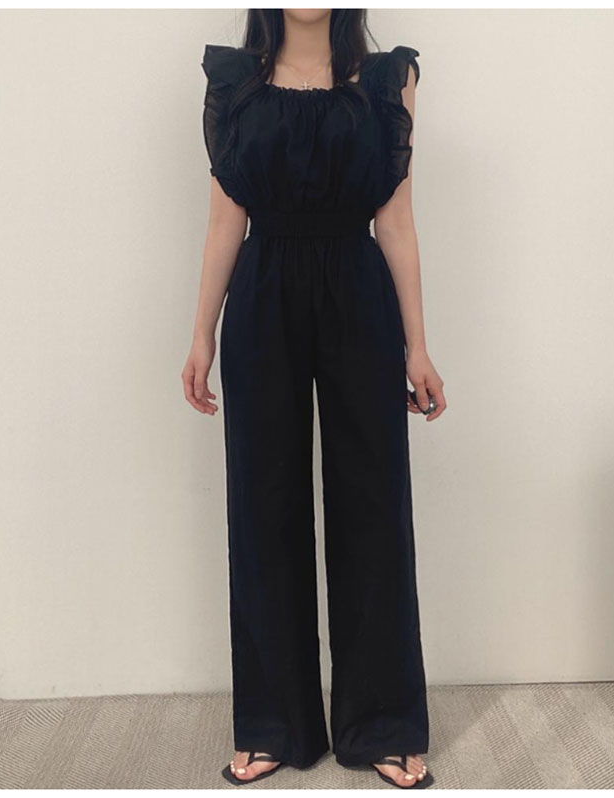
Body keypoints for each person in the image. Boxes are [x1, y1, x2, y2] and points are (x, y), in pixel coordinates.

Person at [182, 8, 446, 790]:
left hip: (357, 294)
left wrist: (418, 345)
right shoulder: (236, 85)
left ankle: (383, 723)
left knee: (373, 505)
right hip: (262, 295)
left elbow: (395, 221)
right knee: (263, 507)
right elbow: (224, 219)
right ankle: (274, 723)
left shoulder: (387, 81)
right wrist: (201, 335)